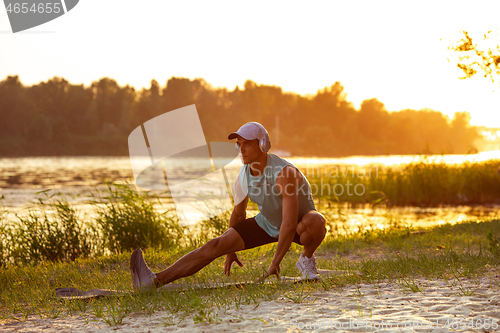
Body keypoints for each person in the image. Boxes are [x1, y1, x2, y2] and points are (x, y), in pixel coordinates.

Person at [130, 122, 326, 291]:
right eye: (239, 145)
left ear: (263, 144)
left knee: (315, 221)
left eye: (247, 144)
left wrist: (274, 264)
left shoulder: (284, 173)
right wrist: (229, 249)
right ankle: (154, 281)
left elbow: (290, 223)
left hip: (299, 226)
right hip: (267, 223)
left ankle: (306, 260)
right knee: (215, 245)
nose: (241, 150)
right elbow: (238, 215)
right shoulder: (242, 177)